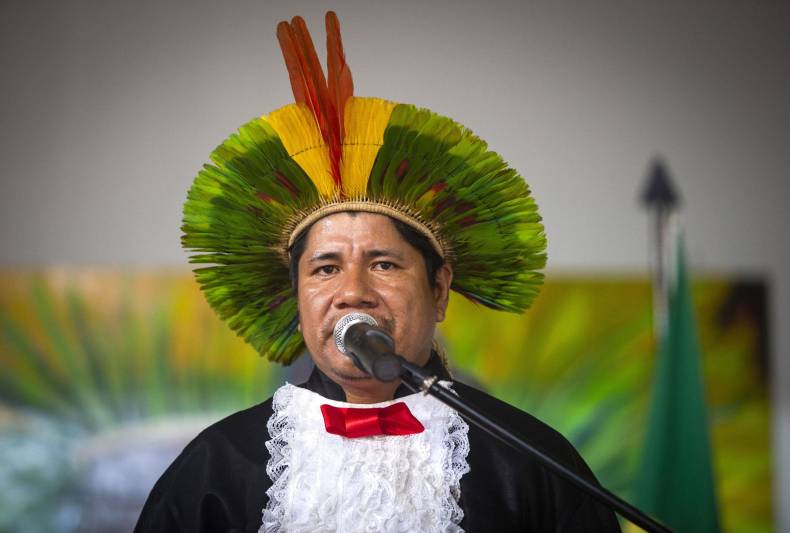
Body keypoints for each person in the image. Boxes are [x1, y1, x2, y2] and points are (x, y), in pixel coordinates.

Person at [135, 12, 621, 532]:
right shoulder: (216, 468)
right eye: (325, 268)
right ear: (297, 299)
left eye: (384, 264)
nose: (353, 293)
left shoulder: (530, 464)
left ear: (439, 290)